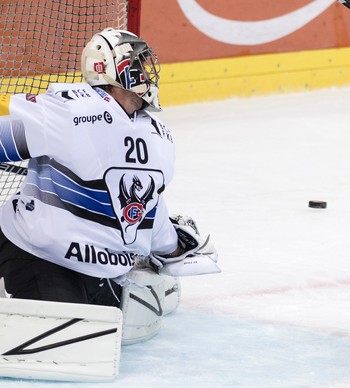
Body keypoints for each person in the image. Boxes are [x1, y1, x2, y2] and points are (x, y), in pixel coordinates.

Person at [0, 29, 217, 315]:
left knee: (112, 333)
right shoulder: (70, 109)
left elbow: (147, 207)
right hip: (40, 256)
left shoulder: (159, 135)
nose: (148, 73)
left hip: (103, 272)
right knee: (67, 347)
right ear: (119, 71)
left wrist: (176, 247)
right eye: (139, 64)